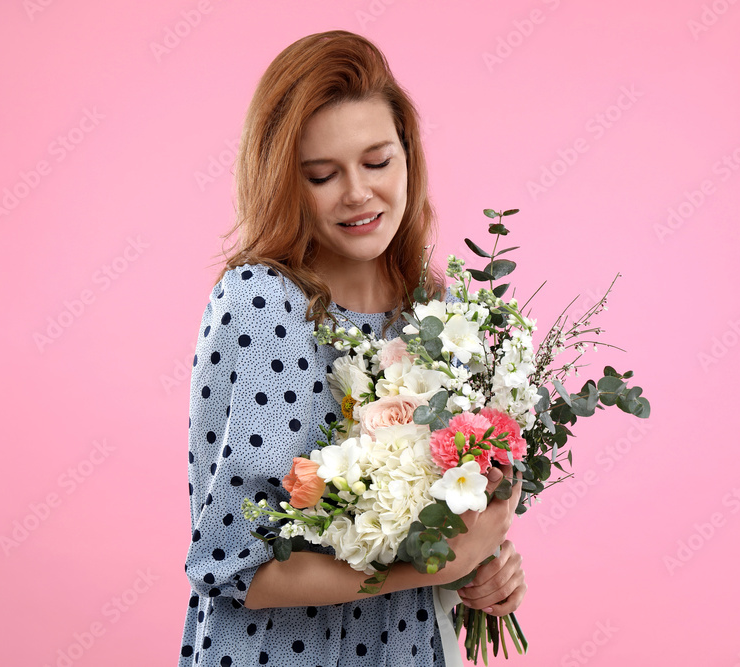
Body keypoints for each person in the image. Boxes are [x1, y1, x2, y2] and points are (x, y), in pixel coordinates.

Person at [180, 30, 526, 667]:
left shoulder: (436, 307)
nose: (359, 193)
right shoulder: (262, 302)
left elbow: (454, 521)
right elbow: (234, 566)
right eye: (322, 174)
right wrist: (438, 563)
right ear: (286, 181)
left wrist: (487, 573)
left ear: (408, 157)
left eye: (377, 161)